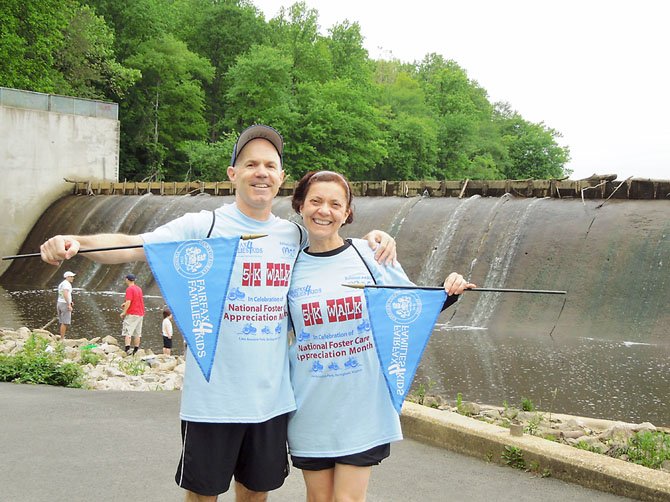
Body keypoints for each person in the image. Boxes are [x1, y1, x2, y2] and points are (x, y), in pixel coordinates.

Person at [39, 124, 396, 502]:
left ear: (281, 177)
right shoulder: (204, 226)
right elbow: (133, 246)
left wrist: (378, 237)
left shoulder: (294, 235)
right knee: (202, 496)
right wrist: (77, 243)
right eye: (251, 164)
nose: (261, 172)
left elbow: (334, 237)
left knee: (256, 495)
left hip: (271, 403)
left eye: (270, 165)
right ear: (233, 174)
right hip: (213, 400)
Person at [286, 170, 476, 502]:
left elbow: (408, 309)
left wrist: (450, 291)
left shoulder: (369, 255)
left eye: (335, 204)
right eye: (315, 201)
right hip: (310, 402)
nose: (324, 211)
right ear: (300, 205)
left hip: (362, 402)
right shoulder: (289, 264)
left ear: (347, 213)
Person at [121, 273, 145, 355]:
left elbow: (128, 301)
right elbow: (137, 300)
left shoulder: (129, 289)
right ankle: (136, 350)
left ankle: (127, 349)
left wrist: (124, 312)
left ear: (127, 279)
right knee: (137, 333)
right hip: (140, 313)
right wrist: (125, 304)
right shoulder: (139, 289)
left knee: (128, 331)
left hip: (132, 313)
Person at [56, 271, 76, 339]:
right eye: (71, 277)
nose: (73, 278)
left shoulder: (62, 283)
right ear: (67, 277)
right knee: (65, 323)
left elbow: (63, 294)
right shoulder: (67, 284)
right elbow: (65, 293)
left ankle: (62, 337)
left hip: (59, 303)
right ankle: (62, 338)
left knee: (62, 321)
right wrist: (68, 305)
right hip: (64, 304)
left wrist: (70, 302)